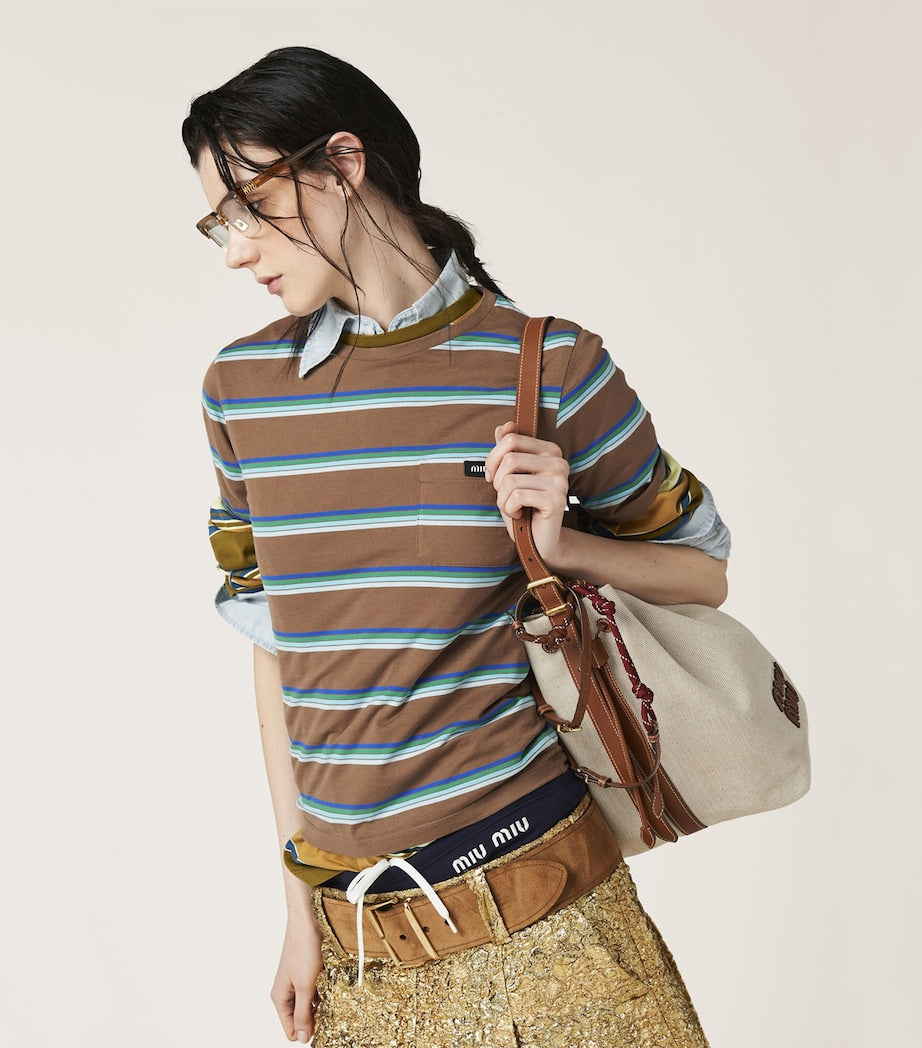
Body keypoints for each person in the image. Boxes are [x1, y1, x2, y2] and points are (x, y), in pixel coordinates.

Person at [183, 46, 731, 1048]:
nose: (234, 251)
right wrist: (299, 909)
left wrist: (566, 545)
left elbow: (702, 572)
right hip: (360, 949)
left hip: (553, 926)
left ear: (342, 162)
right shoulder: (242, 392)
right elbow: (278, 652)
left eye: (249, 207)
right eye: (218, 223)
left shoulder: (546, 365)